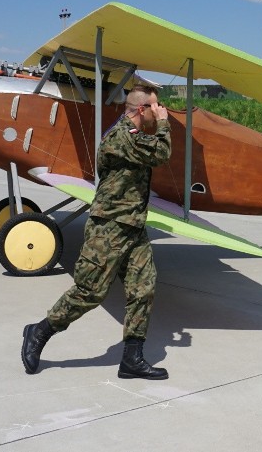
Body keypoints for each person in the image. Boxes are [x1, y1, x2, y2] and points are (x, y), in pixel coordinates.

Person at [21, 85, 172, 380]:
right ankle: (39, 331)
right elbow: (162, 153)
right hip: (110, 228)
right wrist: (164, 123)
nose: (160, 111)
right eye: (155, 107)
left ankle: (132, 358)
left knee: (144, 289)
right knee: (90, 292)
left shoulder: (134, 136)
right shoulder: (121, 138)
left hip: (133, 227)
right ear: (141, 110)